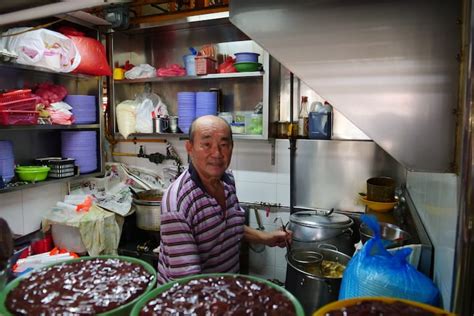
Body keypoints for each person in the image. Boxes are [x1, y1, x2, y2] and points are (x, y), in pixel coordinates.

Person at [157, 115, 291, 284]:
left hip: (225, 290)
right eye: (206, 144)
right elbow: (187, 285)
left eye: (224, 145)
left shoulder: (227, 179)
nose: (217, 153)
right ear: (189, 148)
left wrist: (266, 237)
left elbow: (228, 227)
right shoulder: (178, 204)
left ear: (232, 147)